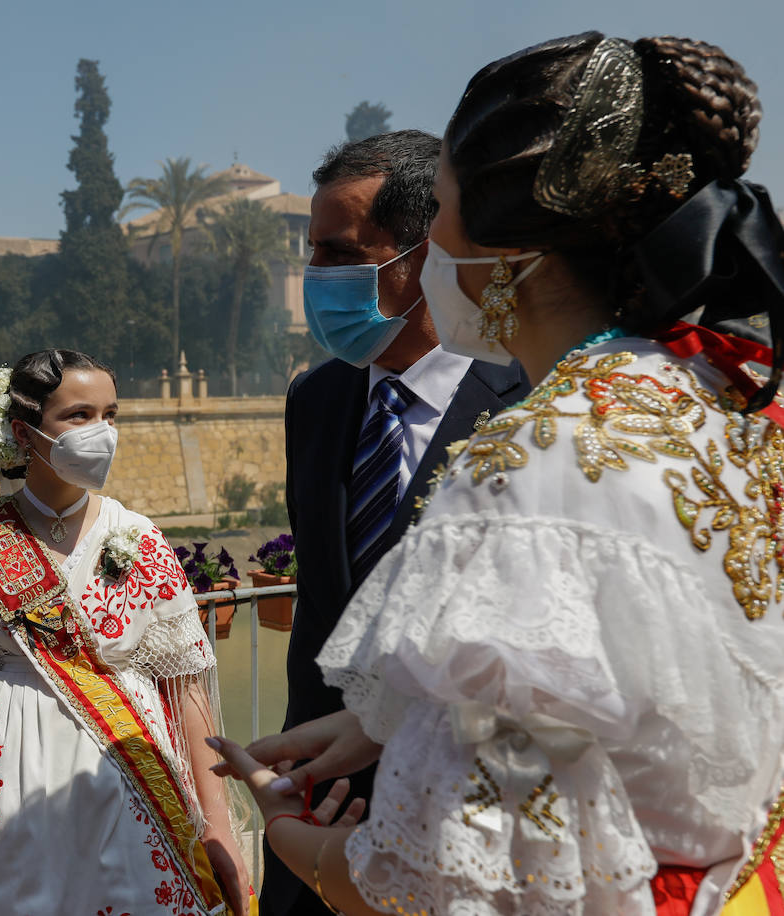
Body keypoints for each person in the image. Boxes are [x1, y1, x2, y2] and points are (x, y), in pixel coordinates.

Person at [214, 32, 784, 915]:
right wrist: (382, 721)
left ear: (510, 256)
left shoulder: (527, 462)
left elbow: (441, 881)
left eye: (439, 209)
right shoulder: (723, 391)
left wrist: (283, 831)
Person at [266, 130, 529, 915]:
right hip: (315, 800)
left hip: (462, 810)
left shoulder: (528, 406)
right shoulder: (316, 401)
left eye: (341, 254)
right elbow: (323, 603)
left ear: (422, 257)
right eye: (313, 254)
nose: (317, 278)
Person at [0, 349, 253, 915]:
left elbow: (185, 693)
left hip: (128, 781)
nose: (101, 432)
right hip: (6, 783)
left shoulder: (141, 538)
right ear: (24, 434)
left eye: (110, 414)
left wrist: (216, 824)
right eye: (78, 416)